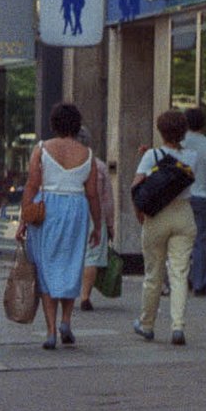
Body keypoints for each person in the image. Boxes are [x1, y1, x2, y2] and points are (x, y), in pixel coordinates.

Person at [13, 103, 103, 350]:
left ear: (53, 124)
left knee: (46, 267)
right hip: (76, 209)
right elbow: (93, 193)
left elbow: (32, 185)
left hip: (47, 210)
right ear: (77, 125)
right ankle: (66, 321)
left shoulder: (41, 149)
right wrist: (98, 225)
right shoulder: (88, 154)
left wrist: (23, 219)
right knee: (71, 263)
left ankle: (51, 330)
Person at [133, 109, 198, 345]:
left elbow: (137, 186)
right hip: (184, 213)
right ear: (183, 132)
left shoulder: (152, 155)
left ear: (160, 131)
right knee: (179, 273)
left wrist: (139, 212)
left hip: (157, 215)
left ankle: (147, 324)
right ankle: (178, 327)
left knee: (153, 274)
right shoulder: (192, 156)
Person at [180, 106, 206, 296]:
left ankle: (176, 281)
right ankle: (199, 283)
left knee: (178, 240)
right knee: (199, 241)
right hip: (201, 196)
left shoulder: (180, 143)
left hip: (181, 196)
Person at [77, 129, 114, 311]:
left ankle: (64, 293)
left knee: (70, 252)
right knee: (91, 256)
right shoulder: (98, 165)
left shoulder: (64, 164)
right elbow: (107, 199)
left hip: (71, 213)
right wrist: (109, 224)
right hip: (94, 214)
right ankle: (85, 296)